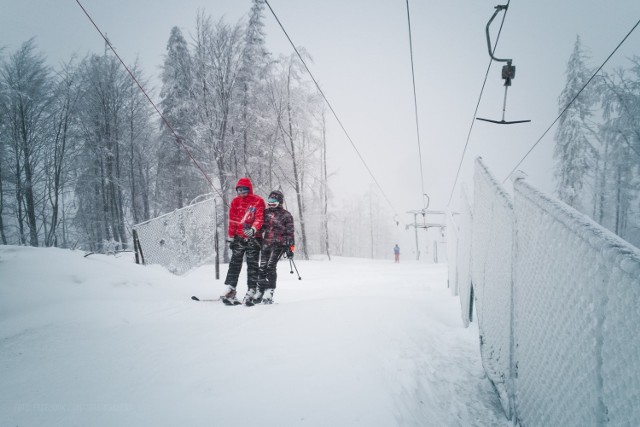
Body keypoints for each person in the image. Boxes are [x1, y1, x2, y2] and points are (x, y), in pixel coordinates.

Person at [222, 177, 265, 305]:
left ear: (249, 189)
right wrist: (231, 236)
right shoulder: (235, 202)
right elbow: (233, 221)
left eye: (244, 190)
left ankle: (251, 290)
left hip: (253, 238)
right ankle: (230, 289)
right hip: (239, 238)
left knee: (252, 265)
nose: (241, 193)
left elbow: (260, 218)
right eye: (239, 190)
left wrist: (253, 229)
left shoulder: (258, 201)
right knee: (234, 264)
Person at [251, 190, 295, 305]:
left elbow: (290, 233)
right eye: (269, 201)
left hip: (279, 245)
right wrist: (254, 234)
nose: (271, 203)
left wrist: (290, 248)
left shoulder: (286, 215)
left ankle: (269, 292)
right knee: (262, 267)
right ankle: (260, 291)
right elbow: (260, 227)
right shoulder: (266, 213)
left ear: (280, 202)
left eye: (274, 201)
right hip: (266, 244)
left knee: (270, 266)